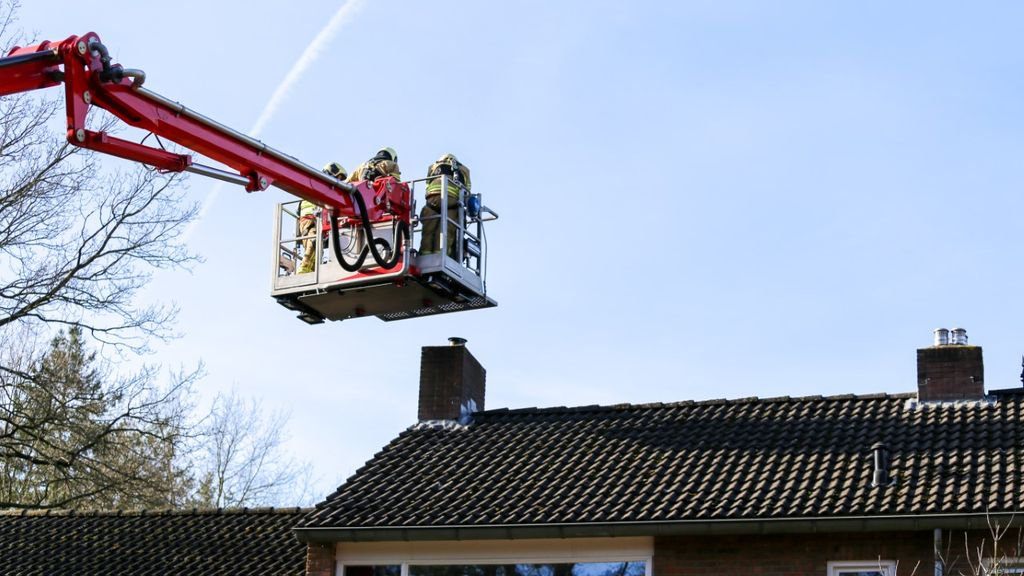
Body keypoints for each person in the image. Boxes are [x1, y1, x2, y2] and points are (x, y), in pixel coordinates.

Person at [297, 162, 347, 274]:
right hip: (310, 221)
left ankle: (309, 272)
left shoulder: (319, 184)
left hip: (316, 221)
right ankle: (302, 274)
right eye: (338, 178)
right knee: (313, 246)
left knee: (317, 251)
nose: (339, 181)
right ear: (332, 173)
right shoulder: (319, 184)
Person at [419, 153, 471, 258]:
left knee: (428, 230)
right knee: (447, 229)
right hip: (450, 200)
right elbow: (467, 192)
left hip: (432, 200)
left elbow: (427, 185)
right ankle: (441, 254)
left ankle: (425, 254)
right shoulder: (464, 169)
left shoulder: (432, 167)